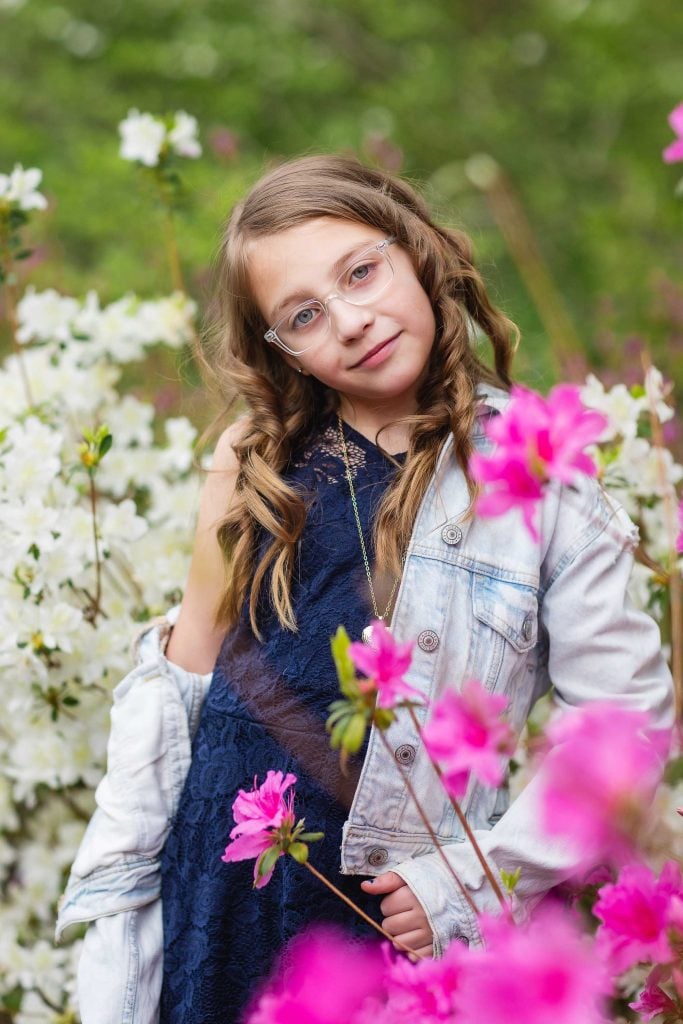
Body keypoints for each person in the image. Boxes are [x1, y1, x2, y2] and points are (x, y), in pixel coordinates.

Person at [56, 155, 674, 1024]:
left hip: (387, 921)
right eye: (303, 315)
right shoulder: (257, 466)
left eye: (361, 271)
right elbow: (179, 690)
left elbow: (625, 721)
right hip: (217, 901)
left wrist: (475, 883)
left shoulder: (537, 472)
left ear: (414, 250)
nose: (349, 321)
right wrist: (119, 920)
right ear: (284, 352)